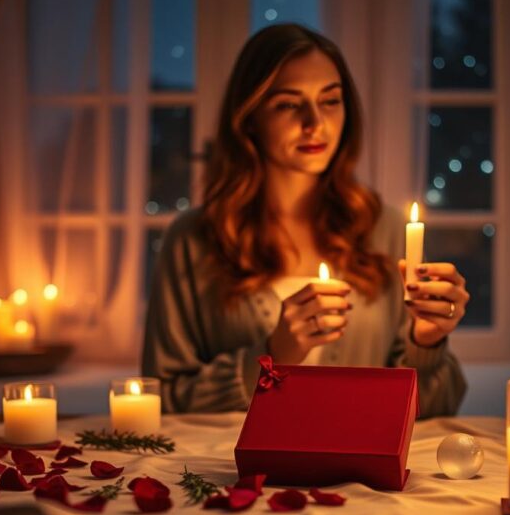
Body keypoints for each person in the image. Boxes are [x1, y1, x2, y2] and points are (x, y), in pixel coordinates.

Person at [141, 23, 469, 418]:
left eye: (330, 101)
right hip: (233, 459)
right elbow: (161, 398)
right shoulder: (193, 240)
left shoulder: (385, 231)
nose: (315, 123)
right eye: (288, 105)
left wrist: (427, 343)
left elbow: (436, 410)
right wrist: (272, 355)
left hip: (356, 459)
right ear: (249, 117)